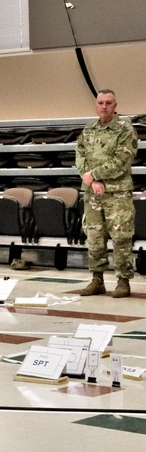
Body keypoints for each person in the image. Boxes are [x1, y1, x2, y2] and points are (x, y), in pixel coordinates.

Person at [75, 89, 138, 298]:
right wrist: (91, 179)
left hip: (117, 193)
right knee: (94, 237)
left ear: (115, 105)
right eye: (100, 102)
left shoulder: (124, 129)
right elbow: (80, 155)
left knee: (121, 238)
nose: (104, 106)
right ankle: (97, 279)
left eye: (108, 103)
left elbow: (122, 161)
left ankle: (123, 281)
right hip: (93, 193)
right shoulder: (89, 129)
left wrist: (94, 174)